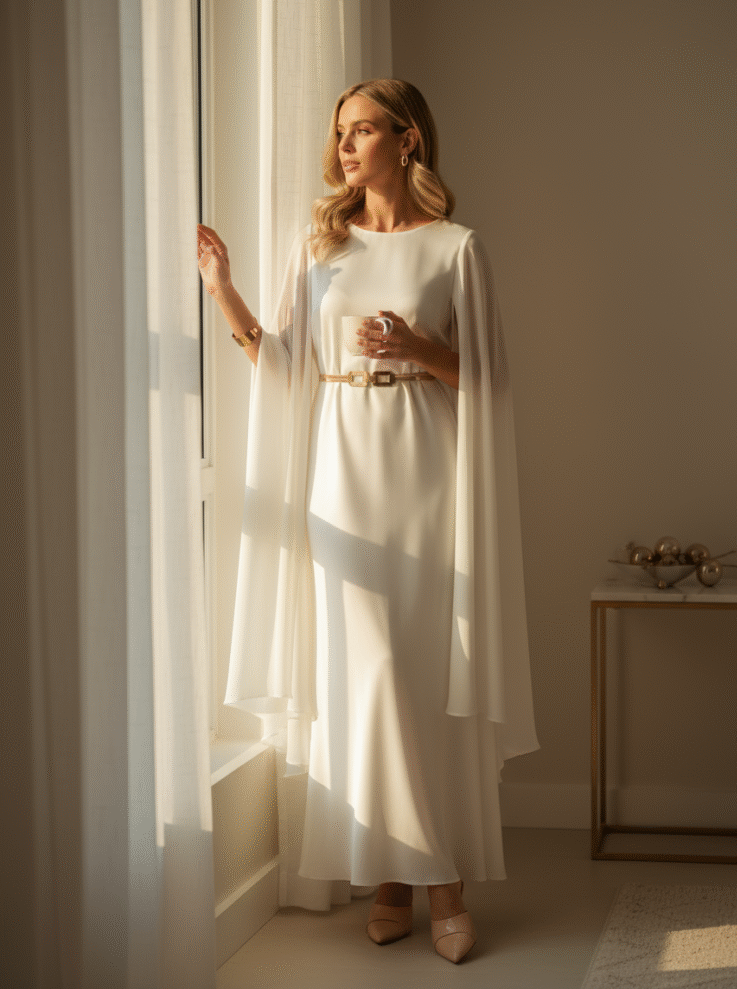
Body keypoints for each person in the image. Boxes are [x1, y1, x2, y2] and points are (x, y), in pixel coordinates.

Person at [197, 78, 538, 964]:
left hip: (427, 476)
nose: (345, 147)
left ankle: (430, 882)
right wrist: (222, 290)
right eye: (339, 133)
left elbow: (491, 386)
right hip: (341, 479)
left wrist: (420, 348)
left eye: (362, 131)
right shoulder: (322, 248)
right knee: (367, 676)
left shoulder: (456, 249)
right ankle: (405, 879)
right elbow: (282, 366)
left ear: (408, 139)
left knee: (421, 676)